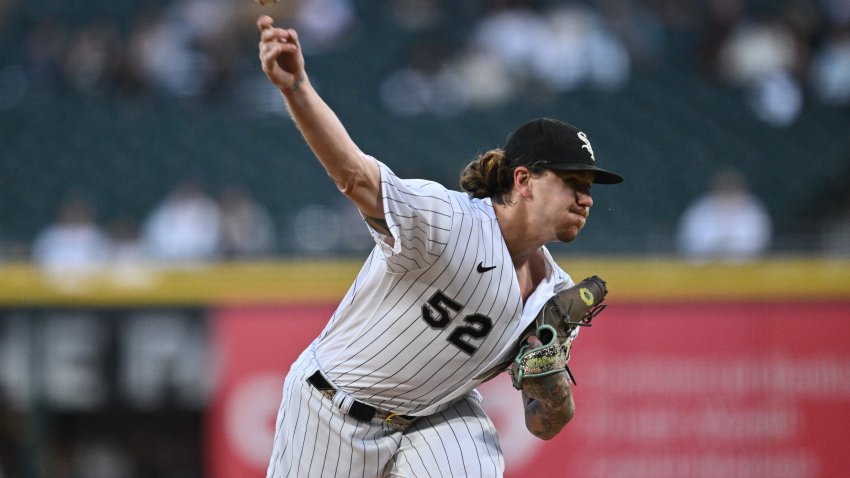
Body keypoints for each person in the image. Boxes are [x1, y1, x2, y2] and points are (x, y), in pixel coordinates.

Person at [257, 15, 623, 478]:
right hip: (330, 407)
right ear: (524, 180)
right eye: (572, 181)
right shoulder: (447, 220)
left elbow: (545, 425)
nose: (586, 197)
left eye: (589, 186)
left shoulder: (555, 293)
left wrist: (550, 388)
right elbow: (354, 175)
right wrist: (296, 88)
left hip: (436, 416)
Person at [676, 167, 772, 261]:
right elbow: (690, 242)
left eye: (732, 189)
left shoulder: (753, 210)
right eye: (724, 188)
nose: (728, 193)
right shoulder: (701, 209)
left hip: (747, 270)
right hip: (705, 270)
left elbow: (758, 243)